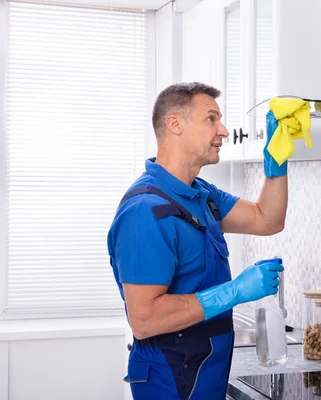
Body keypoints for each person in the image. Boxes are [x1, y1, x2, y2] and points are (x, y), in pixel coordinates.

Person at [107, 82, 288, 400]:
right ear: (174, 124)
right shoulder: (145, 212)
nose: (224, 130)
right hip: (171, 381)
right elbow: (144, 320)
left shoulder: (202, 195)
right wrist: (235, 292)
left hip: (205, 374)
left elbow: (267, 219)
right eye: (211, 118)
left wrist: (276, 163)